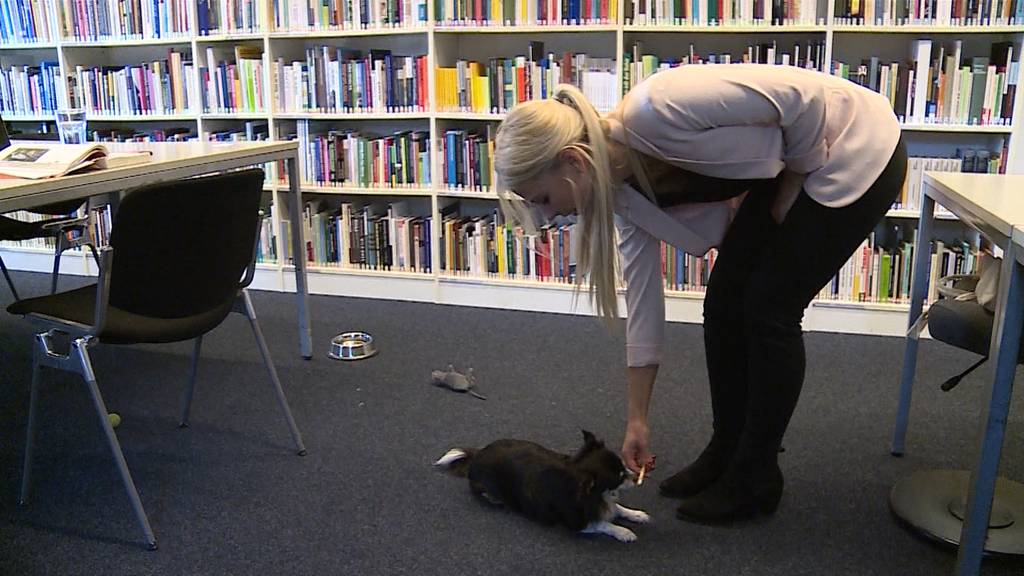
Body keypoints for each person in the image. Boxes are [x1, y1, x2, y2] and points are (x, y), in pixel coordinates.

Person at [492, 63, 907, 524]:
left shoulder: (660, 106)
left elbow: (802, 100)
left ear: (573, 161)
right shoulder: (623, 198)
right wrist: (637, 420)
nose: (547, 217)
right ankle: (725, 449)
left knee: (769, 309)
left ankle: (755, 476)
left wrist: (795, 179)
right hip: (790, 171)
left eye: (543, 199)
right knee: (724, 303)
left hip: (852, 147)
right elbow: (644, 309)